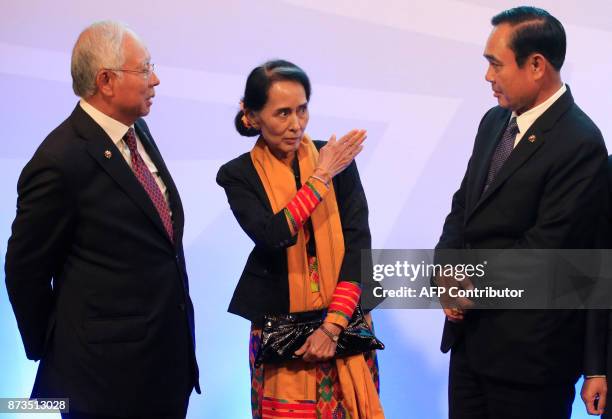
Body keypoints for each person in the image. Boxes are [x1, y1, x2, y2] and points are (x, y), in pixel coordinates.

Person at [4, 21, 199, 419]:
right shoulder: (59, 161)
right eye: (145, 69)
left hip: (164, 367)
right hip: (102, 382)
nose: (156, 79)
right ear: (106, 81)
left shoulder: (136, 130)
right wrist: (61, 347)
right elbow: (25, 270)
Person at [434, 7, 608, 419]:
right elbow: (463, 208)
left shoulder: (580, 142)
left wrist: (469, 287)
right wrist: (444, 274)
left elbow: (546, 248)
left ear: (536, 65)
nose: (488, 77)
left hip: (530, 359)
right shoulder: (493, 122)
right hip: (470, 347)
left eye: (496, 64)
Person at [216, 60, 384, 418]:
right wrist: (321, 176)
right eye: (282, 114)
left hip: (343, 325)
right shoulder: (238, 175)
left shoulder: (338, 163)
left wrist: (332, 326)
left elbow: (359, 245)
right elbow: (273, 235)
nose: (296, 125)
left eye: (302, 109)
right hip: (282, 334)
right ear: (252, 115)